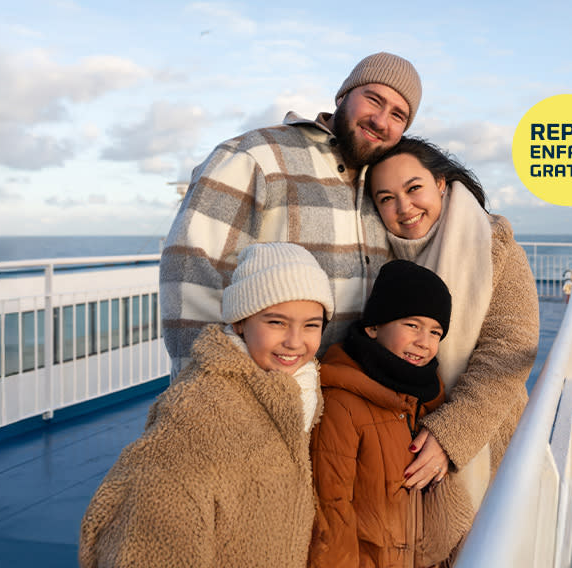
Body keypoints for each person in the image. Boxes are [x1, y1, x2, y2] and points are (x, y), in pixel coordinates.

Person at [159, 52, 423, 379]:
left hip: (348, 396)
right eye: (373, 100)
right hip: (260, 393)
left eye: (398, 115)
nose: (381, 121)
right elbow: (192, 278)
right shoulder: (257, 156)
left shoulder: (385, 188)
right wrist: (210, 388)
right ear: (342, 96)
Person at [80, 242, 332, 567]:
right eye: (276, 322)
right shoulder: (200, 407)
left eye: (311, 325)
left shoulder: (304, 387)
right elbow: (150, 519)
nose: (295, 341)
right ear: (240, 322)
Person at [363, 136, 540, 558]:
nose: (404, 207)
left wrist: (451, 436)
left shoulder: (491, 244)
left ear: (441, 183)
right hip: (396, 438)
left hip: (478, 437)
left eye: (414, 188)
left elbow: (511, 347)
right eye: (386, 198)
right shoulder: (374, 256)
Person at [309, 259, 468, 568]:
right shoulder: (343, 403)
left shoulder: (429, 395)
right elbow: (330, 512)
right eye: (412, 325)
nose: (424, 342)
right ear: (373, 327)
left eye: (436, 332)